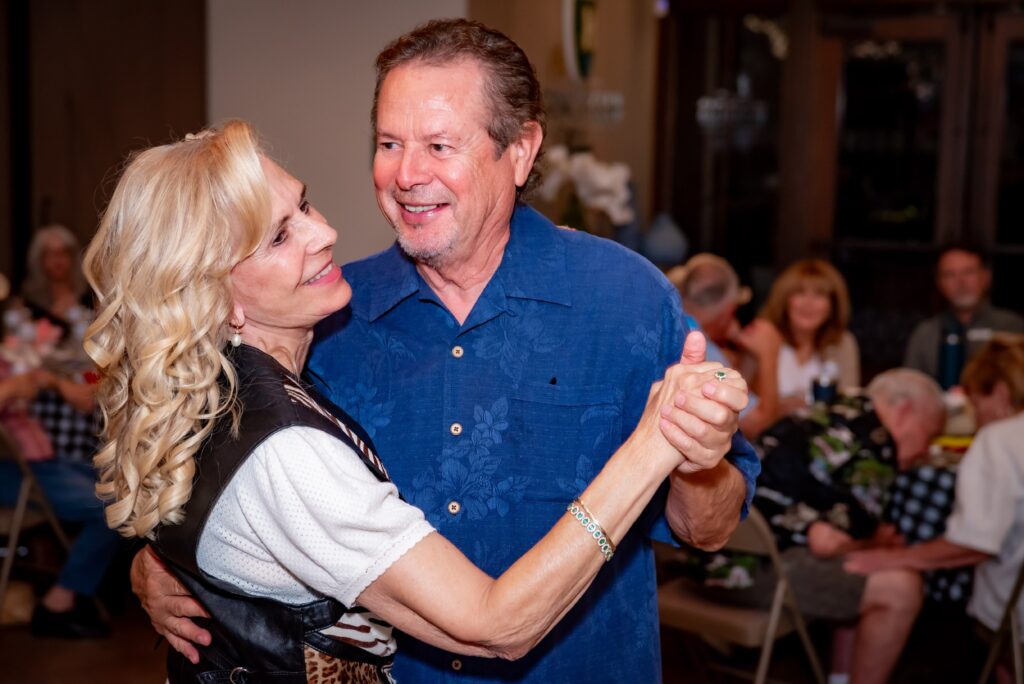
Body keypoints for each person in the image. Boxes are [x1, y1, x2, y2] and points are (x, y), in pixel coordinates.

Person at [129, 19, 760, 683]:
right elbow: (223, 464)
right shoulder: (326, 315)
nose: (406, 174)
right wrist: (165, 562)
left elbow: (707, 530)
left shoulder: (625, 297)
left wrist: (695, 457)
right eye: (389, 143)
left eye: (437, 144)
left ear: (519, 151)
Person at [681, 368, 945, 684]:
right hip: (743, 575)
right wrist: (876, 541)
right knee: (901, 588)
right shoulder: (877, 443)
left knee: (859, 570)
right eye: (927, 435)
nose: (923, 452)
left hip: (696, 560)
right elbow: (827, 542)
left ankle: (838, 677)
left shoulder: (821, 409)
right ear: (904, 412)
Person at [846, 337, 1024, 677]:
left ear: (1000, 394)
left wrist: (892, 558)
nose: (976, 417)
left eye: (975, 403)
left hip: (1014, 624)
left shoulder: (999, 439)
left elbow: (975, 543)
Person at [0, 230, 118, 639]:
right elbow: (17, 376)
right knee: (110, 508)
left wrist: (49, 382)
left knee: (116, 499)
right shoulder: (23, 315)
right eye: (47, 255)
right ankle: (64, 598)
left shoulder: (86, 315)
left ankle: (70, 594)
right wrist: (29, 384)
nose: (56, 263)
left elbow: (94, 380)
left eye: (63, 254)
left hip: (52, 439)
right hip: (26, 448)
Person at [669, 253, 780, 436]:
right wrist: (769, 355)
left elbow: (730, 387)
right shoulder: (700, 345)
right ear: (729, 310)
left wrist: (750, 357)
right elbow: (756, 425)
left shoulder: (676, 324)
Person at [903, 244, 1024, 389]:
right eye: (950, 274)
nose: (960, 281)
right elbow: (910, 387)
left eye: (968, 272)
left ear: (986, 277)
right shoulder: (926, 333)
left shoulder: (1011, 327)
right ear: (939, 283)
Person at [759, 259, 860, 413]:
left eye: (819, 295)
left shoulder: (843, 343)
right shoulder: (762, 335)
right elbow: (745, 406)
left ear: (833, 305)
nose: (808, 303)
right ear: (784, 299)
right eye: (800, 293)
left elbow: (848, 406)